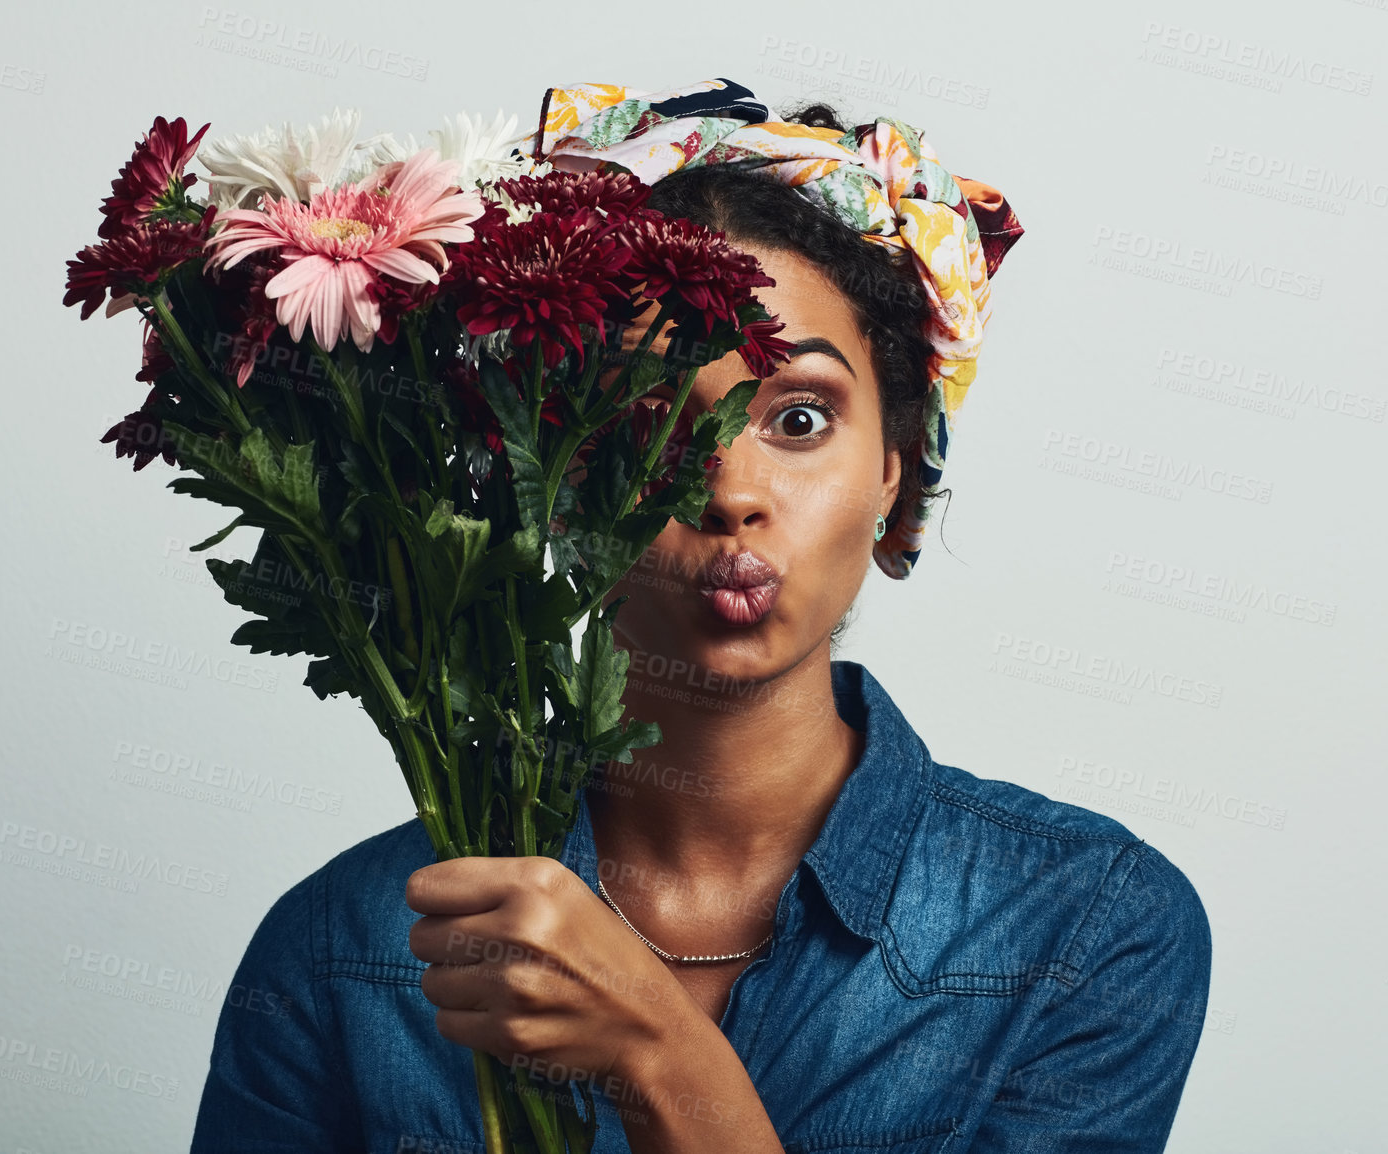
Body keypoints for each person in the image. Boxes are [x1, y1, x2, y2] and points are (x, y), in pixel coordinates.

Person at [191, 79, 1211, 1154]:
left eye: (799, 417)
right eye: (643, 422)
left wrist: (660, 1056)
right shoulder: (338, 951)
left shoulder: (1086, 925)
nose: (729, 489)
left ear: (893, 477)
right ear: (549, 479)